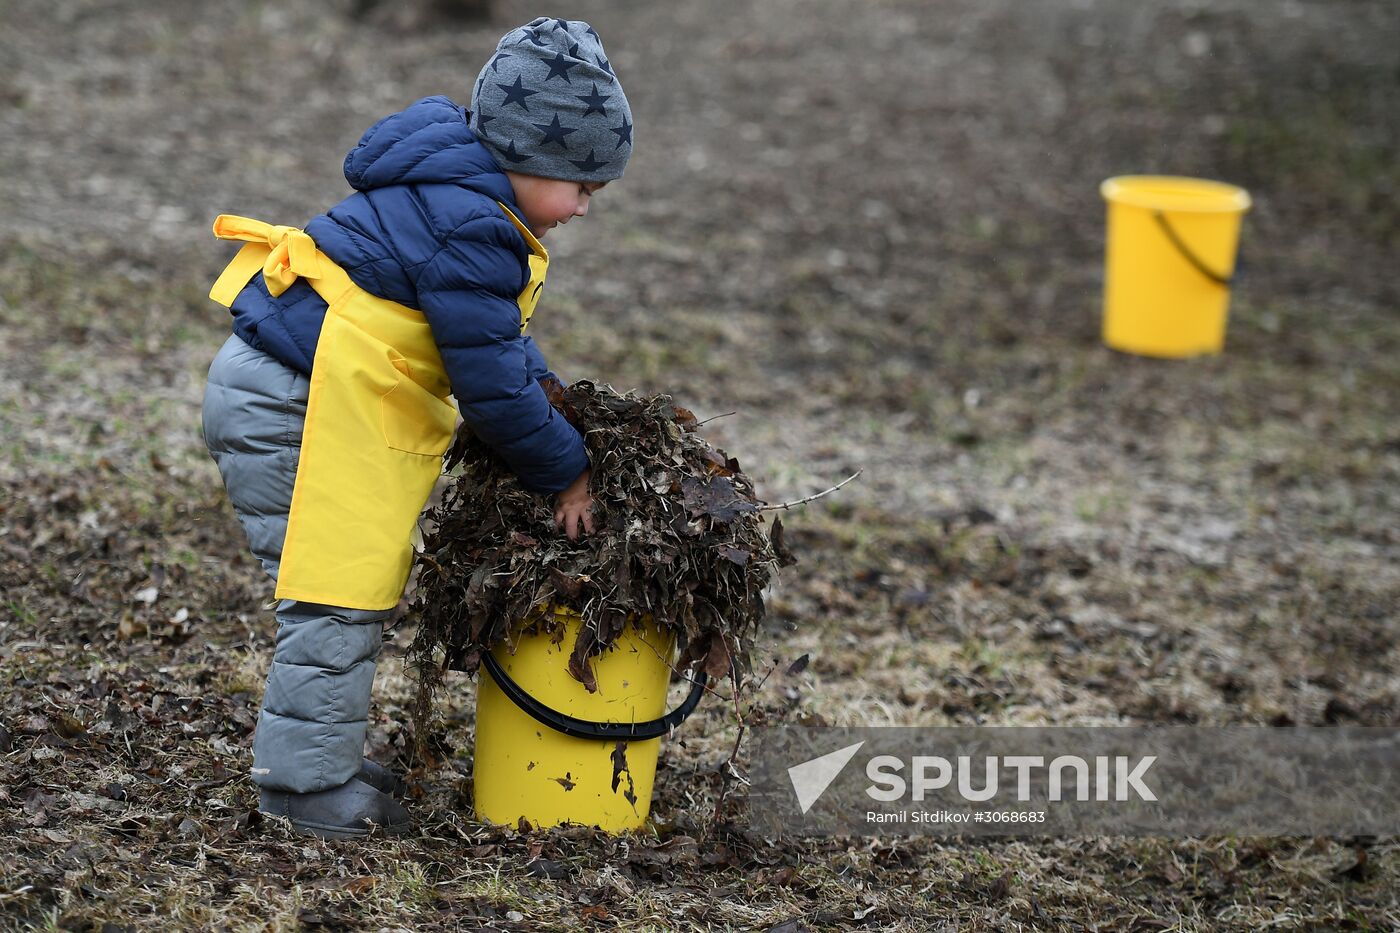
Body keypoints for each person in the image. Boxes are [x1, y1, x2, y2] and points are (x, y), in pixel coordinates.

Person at [200, 17, 631, 839]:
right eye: (582, 185)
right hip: (291, 406)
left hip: (284, 388)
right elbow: (491, 387)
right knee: (336, 592)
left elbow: (493, 341)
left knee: (348, 589)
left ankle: (320, 757)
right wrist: (567, 468)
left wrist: (552, 391)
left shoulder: (453, 196)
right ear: (527, 156)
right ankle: (303, 790)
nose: (582, 208)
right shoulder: (473, 226)